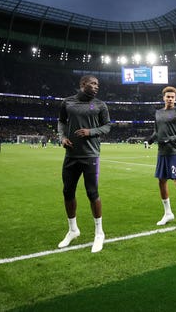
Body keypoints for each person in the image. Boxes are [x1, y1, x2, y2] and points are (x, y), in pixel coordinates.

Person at [57, 75, 111, 253]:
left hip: (91, 156)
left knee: (92, 193)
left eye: (98, 84)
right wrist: (62, 138)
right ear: (82, 84)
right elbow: (61, 122)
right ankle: (73, 230)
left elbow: (107, 126)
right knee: (67, 192)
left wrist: (91, 131)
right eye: (93, 83)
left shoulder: (100, 105)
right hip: (71, 155)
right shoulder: (67, 102)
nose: (96, 87)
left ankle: (99, 233)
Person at [147, 86, 176, 233]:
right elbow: (157, 131)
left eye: (173, 97)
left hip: (175, 152)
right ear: (163, 98)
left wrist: (171, 139)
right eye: (168, 96)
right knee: (161, 181)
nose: (170, 99)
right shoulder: (158, 113)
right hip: (162, 153)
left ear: (175, 98)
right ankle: (168, 213)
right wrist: (151, 139)